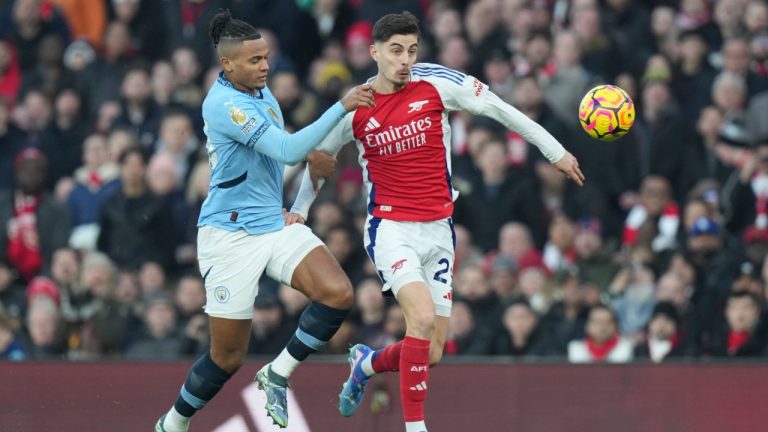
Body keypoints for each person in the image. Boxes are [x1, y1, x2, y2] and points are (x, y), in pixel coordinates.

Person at [288, 12, 584, 432]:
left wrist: (556, 152)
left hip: (439, 228)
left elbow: (502, 110)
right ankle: (415, 428)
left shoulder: (437, 83)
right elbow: (321, 158)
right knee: (422, 320)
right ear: (374, 52)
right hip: (391, 228)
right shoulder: (354, 106)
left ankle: (366, 364)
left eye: (411, 51)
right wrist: (301, 208)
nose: (405, 60)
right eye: (395, 51)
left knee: (431, 351)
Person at [154, 10, 375, 432]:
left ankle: (277, 373)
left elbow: (277, 151)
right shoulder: (224, 105)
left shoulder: (258, 90)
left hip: (273, 224)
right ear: (227, 65)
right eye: (254, 60)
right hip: (228, 236)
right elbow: (288, 151)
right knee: (227, 357)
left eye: (266, 57)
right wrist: (340, 106)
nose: (265, 67)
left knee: (337, 294)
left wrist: (309, 156)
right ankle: (174, 423)